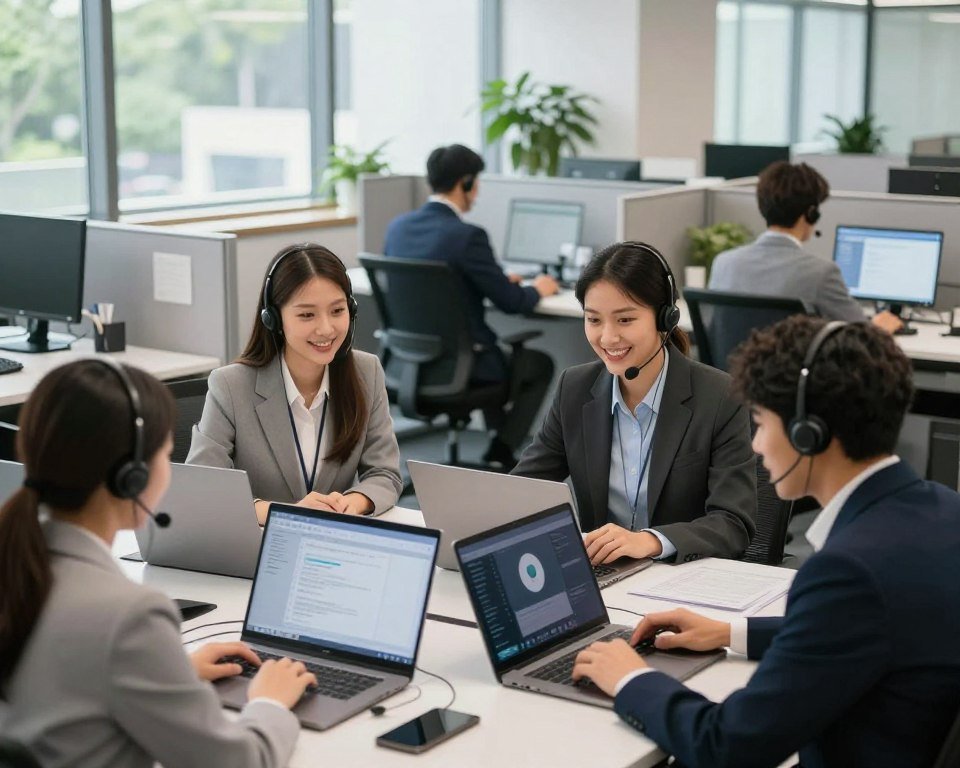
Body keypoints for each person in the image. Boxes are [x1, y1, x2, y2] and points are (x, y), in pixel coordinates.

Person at [571, 316, 960, 768]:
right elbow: (863, 630)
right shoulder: (942, 510)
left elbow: (729, 746)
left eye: (760, 422)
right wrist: (730, 633)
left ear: (807, 434)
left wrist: (631, 681)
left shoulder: (848, 570)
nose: (755, 445)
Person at [0, 359, 316, 768]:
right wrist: (270, 702)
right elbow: (241, 762)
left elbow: (54, 677)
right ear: (131, 477)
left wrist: (170, 674)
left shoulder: (18, 564)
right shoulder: (130, 616)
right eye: (168, 453)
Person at [512, 242, 756, 564]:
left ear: (664, 319)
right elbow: (522, 487)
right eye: (594, 320)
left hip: (680, 576)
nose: (608, 338)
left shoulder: (719, 397)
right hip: (604, 575)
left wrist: (651, 541)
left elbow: (733, 523)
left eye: (625, 320)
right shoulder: (576, 388)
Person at [187, 243, 401, 523]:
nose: (326, 328)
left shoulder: (366, 372)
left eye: (337, 311)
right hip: (259, 549)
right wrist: (288, 513)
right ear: (273, 318)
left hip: (334, 544)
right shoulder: (230, 385)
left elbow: (384, 473)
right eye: (307, 315)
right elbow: (204, 488)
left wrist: (350, 504)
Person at [383, 143, 558, 469]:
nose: (476, 192)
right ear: (465, 183)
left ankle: (496, 444)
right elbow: (511, 303)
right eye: (475, 183)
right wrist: (539, 288)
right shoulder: (467, 236)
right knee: (537, 364)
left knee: (495, 354)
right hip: (464, 367)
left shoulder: (398, 228)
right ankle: (502, 450)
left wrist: (498, 278)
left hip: (409, 365)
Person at [708, 160, 902, 333]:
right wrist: (880, 328)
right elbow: (861, 336)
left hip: (734, 371)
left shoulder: (724, 263)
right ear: (811, 214)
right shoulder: (821, 273)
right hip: (791, 374)